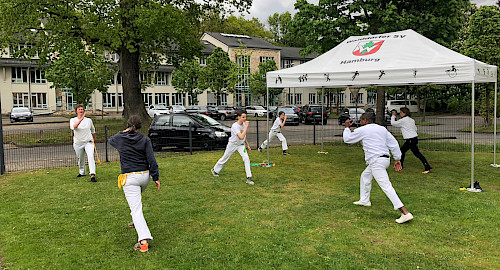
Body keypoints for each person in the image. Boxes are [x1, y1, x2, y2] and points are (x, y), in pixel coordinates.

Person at [343, 112, 413, 224]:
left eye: (361, 120)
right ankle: (364, 200)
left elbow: (348, 139)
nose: (360, 123)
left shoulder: (363, 130)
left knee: (386, 186)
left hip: (376, 161)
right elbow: (393, 143)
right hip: (384, 160)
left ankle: (405, 213)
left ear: (365, 120)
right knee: (365, 176)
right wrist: (397, 158)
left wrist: (347, 128)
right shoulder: (382, 129)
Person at [109, 115, 160, 253]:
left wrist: (123, 132)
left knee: (136, 208)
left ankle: (143, 242)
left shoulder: (120, 138)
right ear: (139, 127)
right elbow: (152, 159)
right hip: (144, 177)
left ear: (127, 125)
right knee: (136, 204)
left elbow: (111, 139)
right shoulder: (144, 139)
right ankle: (136, 222)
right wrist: (156, 177)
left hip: (130, 178)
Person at [211, 111, 254, 185]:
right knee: (225, 158)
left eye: (245, 117)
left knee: (246, 158)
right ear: (239, 117)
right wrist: (246, 126)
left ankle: (249, 177)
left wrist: (248, 145)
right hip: (232, 144)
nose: (245, 119)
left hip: (240, 145)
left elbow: (244, 137)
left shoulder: (244, 125)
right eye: (243, 117)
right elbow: (241, 136)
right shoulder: (235, 126)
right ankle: (215, 170)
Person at [391, 107, 432, 173]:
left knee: (403, 151)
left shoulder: (403, 120)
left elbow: (393, 123)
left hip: (410, 139)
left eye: (401, 112)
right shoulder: (411, 120)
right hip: (414, 138)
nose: (400, 114)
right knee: (414, 153)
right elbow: (415, 129)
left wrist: (393, 116)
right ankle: (427, 167)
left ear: (404, 113)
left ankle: (427, 167)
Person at [70, 104, 97, 182]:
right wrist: (81, 119)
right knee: (80, 158)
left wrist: (94, 139)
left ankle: (92, 174)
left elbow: (93, 130)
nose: (81, 111)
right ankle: (82, 172)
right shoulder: (73, 120)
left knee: (90, 156)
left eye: (82, 109)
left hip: (88, 142)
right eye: (79, 109)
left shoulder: (89, 120)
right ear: (76, 111)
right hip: (78, 143)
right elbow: (74, 127)